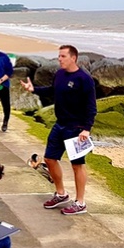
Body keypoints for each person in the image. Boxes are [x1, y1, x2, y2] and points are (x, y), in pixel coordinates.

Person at [21, 45, 96, 215]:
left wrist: (87, 129)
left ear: (73, 58)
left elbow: (91, 106)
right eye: (59, 56)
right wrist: (34, 90)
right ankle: (61, 193)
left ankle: (80, 202)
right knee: (49, 158)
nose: (59, 59)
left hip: (76, 128)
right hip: (60, 124)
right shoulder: (60, 74)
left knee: (77, 165)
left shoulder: (84, 79)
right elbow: (53, 90)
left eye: (63, 56)